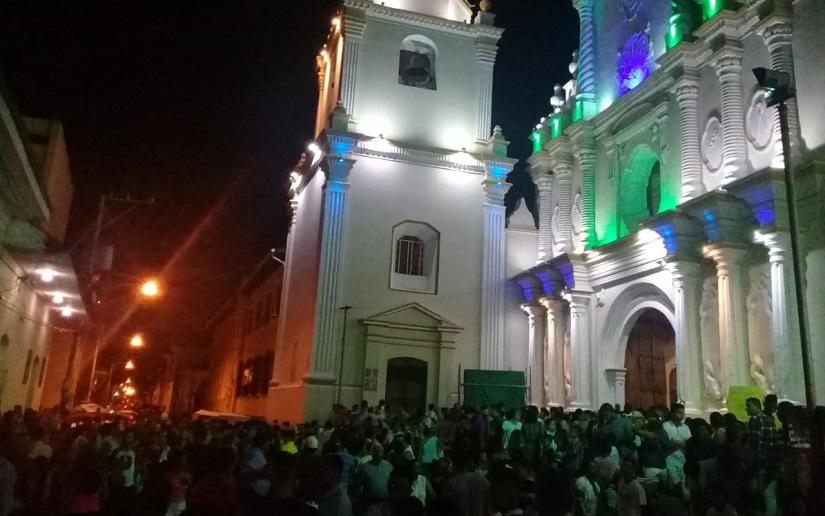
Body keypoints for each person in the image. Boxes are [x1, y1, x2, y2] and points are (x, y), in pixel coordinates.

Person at [745, 397, 779, 516]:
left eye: (749, 405)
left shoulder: (754, 420)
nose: (746, 408)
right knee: (770, 496)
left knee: (761, 496)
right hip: (772, 463)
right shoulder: (770, 419)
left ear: (757, 406)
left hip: (760, 465)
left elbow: (754, 445)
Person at [662, 403, 691, 496]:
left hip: (683, 459)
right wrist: (680, 443)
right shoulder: (665, 426)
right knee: (675, 483)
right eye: (679, 412)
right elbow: (665, 443)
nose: (681, 415)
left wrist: (674, 441)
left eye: (683, 413)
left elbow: (688, 444)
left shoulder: (686, 428)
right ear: (673, 413)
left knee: (684, 484)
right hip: (669, 459)